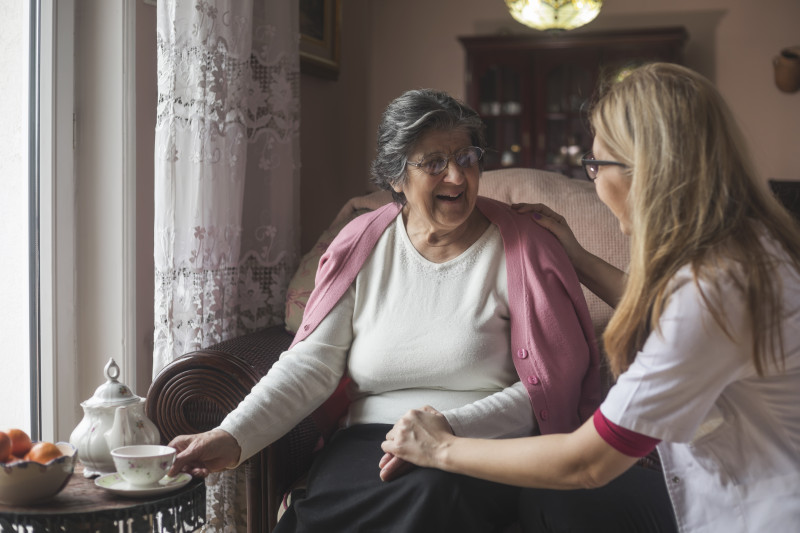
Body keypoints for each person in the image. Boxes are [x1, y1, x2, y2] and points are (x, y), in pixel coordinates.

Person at [381, 62, 800, 533]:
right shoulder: (744, 249)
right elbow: (663, 310)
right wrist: (575, 256)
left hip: (761, 512)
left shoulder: (713, 290)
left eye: (598, 164)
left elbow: (588, 463)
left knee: (558, 498)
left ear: (650, 171)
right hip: (740, 482)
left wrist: (439, 447)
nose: (594, 180)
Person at [167, 88, 602, 532]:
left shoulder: (525, 246)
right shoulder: (362, 243)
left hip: (481, 443)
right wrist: (231, 435)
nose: (456, 176)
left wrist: (447, 427)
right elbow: (310, 364)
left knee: (436, 492)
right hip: (369, 441)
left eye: (467, 157)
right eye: (434, 163)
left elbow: (547, 388)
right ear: (396, 178)